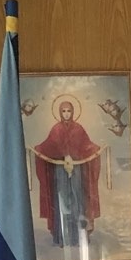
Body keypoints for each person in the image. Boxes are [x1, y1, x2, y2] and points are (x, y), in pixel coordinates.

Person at [32, 96, 103, 248]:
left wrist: (96, 150)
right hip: (59, 170)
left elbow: (86, 146)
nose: (66, 114)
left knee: (78, 199)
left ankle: (78, 237)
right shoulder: (56, 129)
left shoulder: (78, 129)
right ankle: (62, 238)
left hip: (77, 169)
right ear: (59, 112)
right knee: (62, 200)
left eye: (68, 111)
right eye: (63, 111)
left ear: (73, 112)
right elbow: (48, 146)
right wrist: (38, 150)